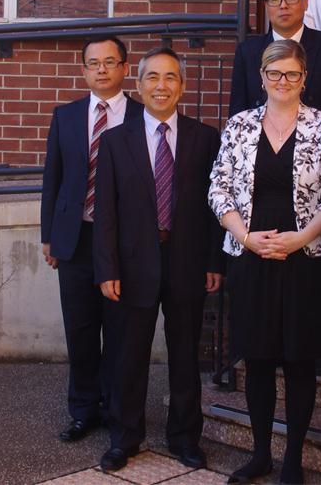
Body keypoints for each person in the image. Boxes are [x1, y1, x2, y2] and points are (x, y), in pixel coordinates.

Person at [210, 39, 321, 485]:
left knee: (299, 361)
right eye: (275, 73)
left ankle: (292, 460)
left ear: (304, 78)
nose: (283, 81)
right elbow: (218, 188)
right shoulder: (239, 125)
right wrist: (245, 237)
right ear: (262, 77)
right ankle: (260, 455)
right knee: (258, 359)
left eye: (292, 73)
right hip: (252, 256)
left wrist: (302, 237)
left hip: (306, 258)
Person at [92, 48, 224, 473]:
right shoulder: (115, 141)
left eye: (170, 77)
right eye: (152, 77)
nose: (161, 86)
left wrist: (214, 261)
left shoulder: (205, 138)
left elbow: (214, 207)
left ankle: (184, 437)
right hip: (132, 267)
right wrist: (107, 268)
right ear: (139, 85)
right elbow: (105, 212)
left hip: (187, 262)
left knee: (185, 356)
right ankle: (124, 438)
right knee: (128, 357)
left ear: (181, 86)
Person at [40, 36, 142, 443]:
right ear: (83, 70)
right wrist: (49, 235)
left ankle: (116, 410)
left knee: (119, 331)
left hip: (123, 242)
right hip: (77, 238)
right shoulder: (65, 116)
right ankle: (83, 410)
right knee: (80, 330)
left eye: (110, 62)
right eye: (93, 63)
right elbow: (53, 179)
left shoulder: (141, 116)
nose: (101, 69)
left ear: (125, 68)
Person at [229, 0, 321, 138]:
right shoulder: (247, 51)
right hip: (260, 143)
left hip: (319, 144)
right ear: (266, 5)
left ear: (305, 1)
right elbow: (238, 110)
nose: (283, 5)